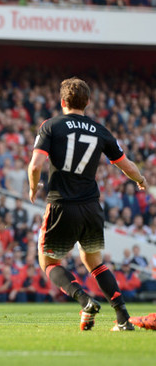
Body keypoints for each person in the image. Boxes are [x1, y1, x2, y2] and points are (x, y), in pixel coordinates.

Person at [28, 77, 148, 331]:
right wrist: (140, 179)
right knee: (95, 263)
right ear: (88, 102)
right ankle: (123, 318)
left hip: (62, 204)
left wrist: (32, 187)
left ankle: (85, 301)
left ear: (62, 101)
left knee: (49, 263)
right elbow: (125, 164)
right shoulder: (100, 129)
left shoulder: (51, 126)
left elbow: (36, 165)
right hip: (91, 207)